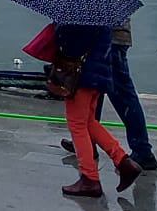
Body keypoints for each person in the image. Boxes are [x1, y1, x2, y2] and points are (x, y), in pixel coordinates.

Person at [59, 0, 157, 171]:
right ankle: (87, 141)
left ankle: (142, 151)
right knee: (95, 93)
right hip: (110, 36)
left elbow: (98, 3)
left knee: (122, 94)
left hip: (109, 39)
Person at [55, 22, 142, 197]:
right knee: (89, 121)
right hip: (98, 74)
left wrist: (58, 29)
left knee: (77, 124)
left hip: (82, 75)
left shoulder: (80, 13)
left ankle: (89, 178)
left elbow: (71, 44)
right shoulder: (102, 14)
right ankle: (123, 161)